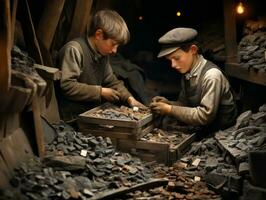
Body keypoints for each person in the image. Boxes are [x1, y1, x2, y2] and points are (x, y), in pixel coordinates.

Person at [57, 9, 145, 123]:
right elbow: (67, 86)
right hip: (70, 117)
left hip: (89, 113)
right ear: (99, 34)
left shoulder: (102, 54)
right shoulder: (74, 50)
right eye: (113, 44)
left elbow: (111, 81)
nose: (114, 50)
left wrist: (129, 98)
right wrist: (100, 92)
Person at [150, 27, 237, 135]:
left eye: (177, 58)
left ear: (193, 50)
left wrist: (169, 109)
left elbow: (205, 116)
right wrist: (168, 103)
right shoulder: (188, 72)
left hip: (223, 134)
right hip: (205, 130)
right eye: (170, 60)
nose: (173, 65)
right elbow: (185, 104)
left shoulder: (212, 76)